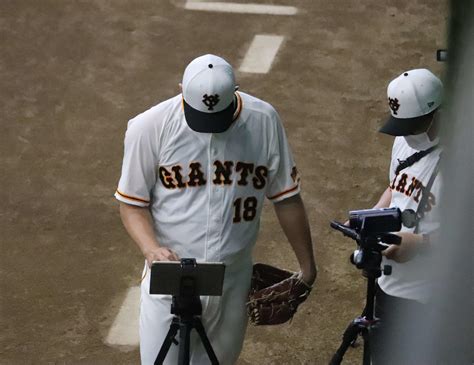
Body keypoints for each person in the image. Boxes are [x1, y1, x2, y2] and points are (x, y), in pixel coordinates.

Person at [115, 54, 317, 365]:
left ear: (236, 91)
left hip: (232, 282)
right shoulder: (149, 126)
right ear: (180, 89)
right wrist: (151, 249)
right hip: (170, 283)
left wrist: (307, 267)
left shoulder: (263, 121)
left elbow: (286, 198)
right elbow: (131, 203)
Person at [351, 68, 443, 364]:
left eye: (413, 126)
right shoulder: (405, 139)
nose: (405, 134)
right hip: (389, 286)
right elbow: (396, 185)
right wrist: (375, 214)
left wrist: (421, 243)